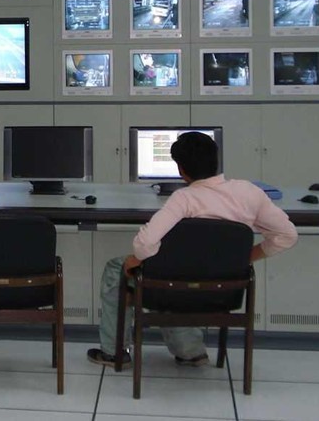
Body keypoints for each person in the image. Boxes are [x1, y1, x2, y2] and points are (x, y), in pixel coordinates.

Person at [87, 131, 298, 369]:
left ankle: (114, 353)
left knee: (129, 269)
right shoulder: (249, 193)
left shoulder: (184, 199)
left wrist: (135, 260)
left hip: (173, 285)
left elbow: (144, 245)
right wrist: (244, 259)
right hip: (226, 289)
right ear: (216, 160)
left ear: (181, 170)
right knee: (170, 269)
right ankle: (191, 351)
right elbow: (287, 235)